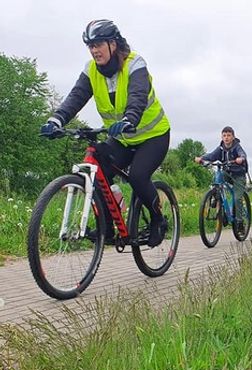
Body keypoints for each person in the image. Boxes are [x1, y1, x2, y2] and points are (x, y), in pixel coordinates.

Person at [39, 19, 170, 247]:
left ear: (113, 44)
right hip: (122, 138)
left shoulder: (134, 64)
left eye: (98, 44)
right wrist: (56, 119)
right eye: (90, 45)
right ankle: (108, 228)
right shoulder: (91, 70)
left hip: (153, 136)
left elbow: (138, 96)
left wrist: (130, 118)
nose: (94, 50)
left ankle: (158, 220)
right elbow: (76, 97)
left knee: (139, 176)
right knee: (98, 172)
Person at [195, 126, 248, 232]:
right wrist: (201, 158)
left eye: (229, 135)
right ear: (222, 137)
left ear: (233, 137)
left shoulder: (237, 147)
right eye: (224, 135)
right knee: (218, 175)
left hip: (238, 175)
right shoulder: (221, 148)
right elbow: (212, 156)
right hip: (227, 173)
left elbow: (243, 154)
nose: (226, 138)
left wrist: (240, 159)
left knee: (237, 198)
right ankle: (215, 195)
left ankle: (239, 222)